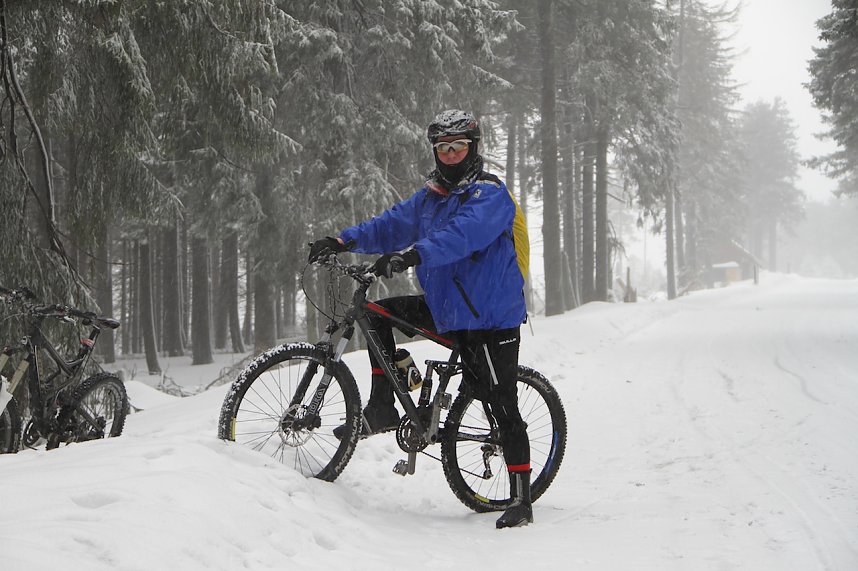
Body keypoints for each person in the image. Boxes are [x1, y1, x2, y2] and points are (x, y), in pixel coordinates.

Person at [308, 110, 532, 528]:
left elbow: (462, 235)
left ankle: (522, 498)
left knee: (499, 402)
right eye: (442, 148)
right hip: (448, 310)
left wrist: (414, 254)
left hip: (490, 317)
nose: (449, 156)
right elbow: (391, 223)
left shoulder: (490, 195)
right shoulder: (431, 197)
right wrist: (342, 240)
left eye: (458, 148)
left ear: (473, 148)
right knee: (376, 314)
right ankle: (382, 406)